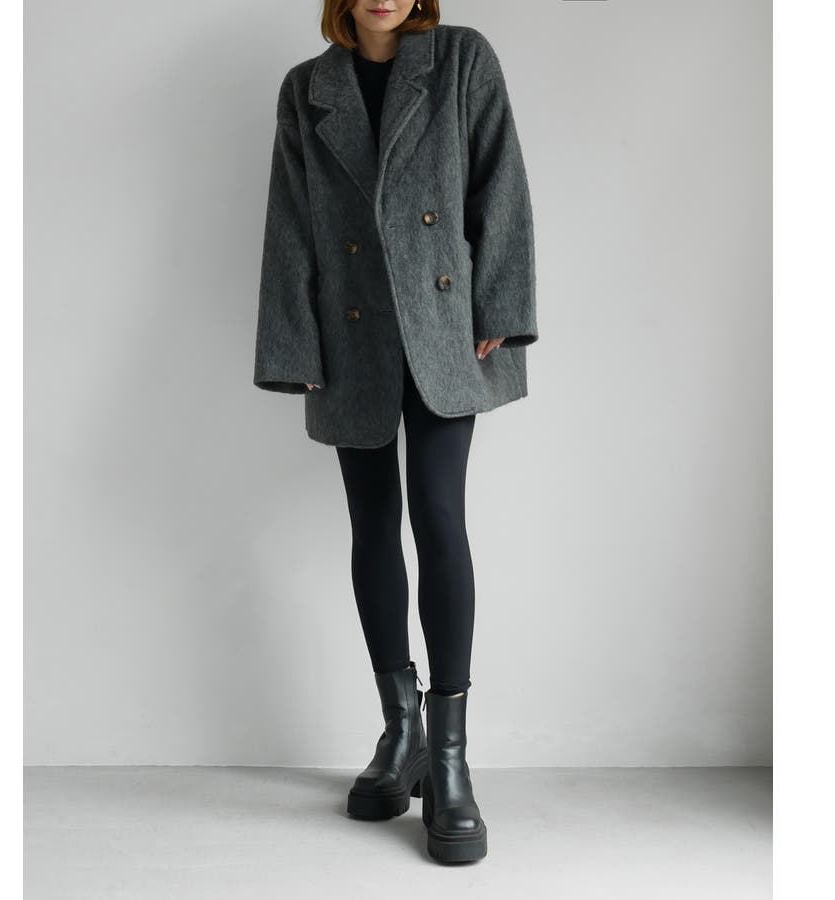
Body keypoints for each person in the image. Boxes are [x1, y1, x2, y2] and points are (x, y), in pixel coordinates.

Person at [253, 0, 537, 865]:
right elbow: (292, 220)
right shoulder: (308, 88)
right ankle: (401, 730)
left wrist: (501, 305)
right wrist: (295, 343)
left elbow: (499, 178)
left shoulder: (461, 60)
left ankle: (448, 761)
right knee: (371, 525)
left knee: (438, 518)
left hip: (447, 326)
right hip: (351, 333)